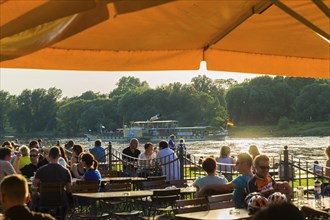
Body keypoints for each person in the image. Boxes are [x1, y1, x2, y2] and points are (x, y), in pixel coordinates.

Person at [32, 146, 72, 219]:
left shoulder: (40, 170)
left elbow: (34, 185)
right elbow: (69, 189)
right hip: (60, 201)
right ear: (59, 156)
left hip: (44, 200)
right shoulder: (65, 171)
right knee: (66, 199)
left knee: (35, 197)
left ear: (49, 156)